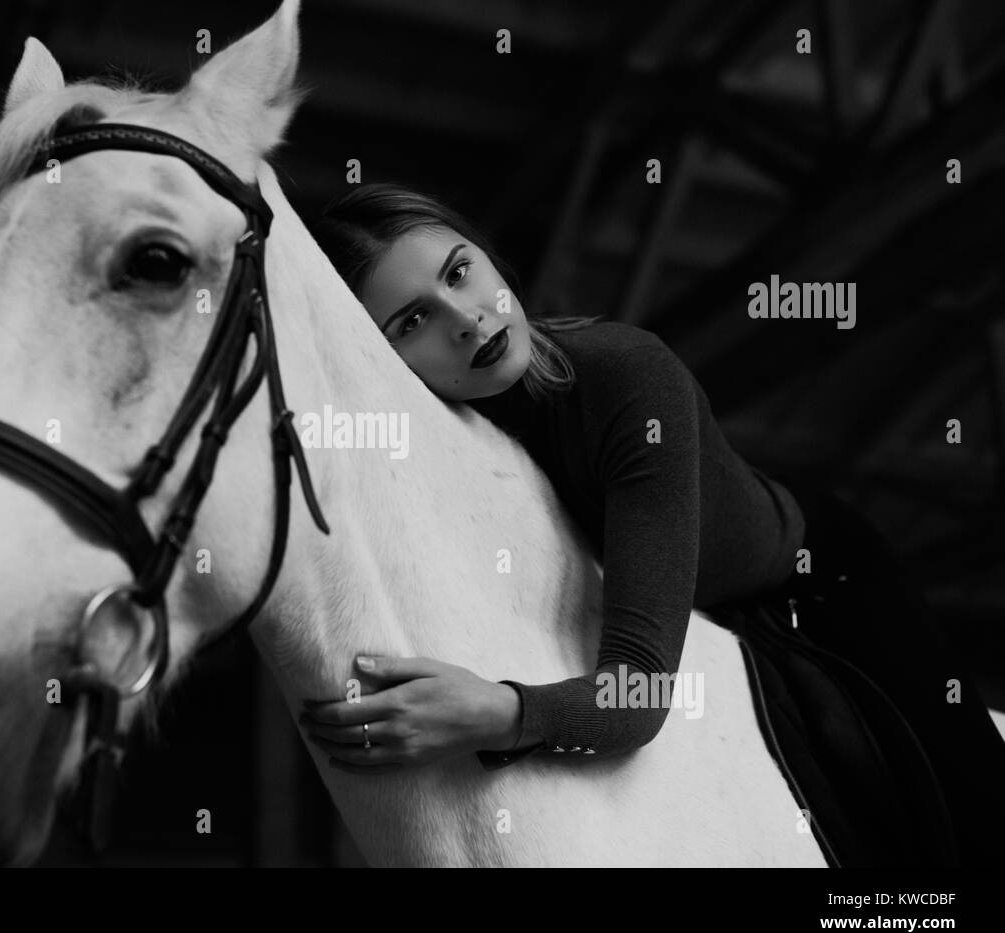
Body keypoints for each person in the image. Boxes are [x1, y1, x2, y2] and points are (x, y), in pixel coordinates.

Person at [299, 183, 807, 771]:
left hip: (810, 590)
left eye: (460, 273)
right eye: (413, 320)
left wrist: (499, 713)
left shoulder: (629, 378)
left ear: (487, 257)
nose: (467, 319)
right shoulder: (411, 455)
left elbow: (638, 694)